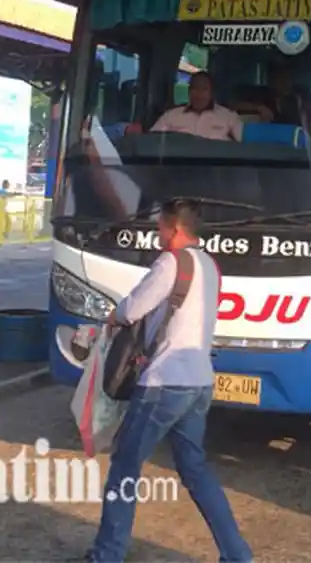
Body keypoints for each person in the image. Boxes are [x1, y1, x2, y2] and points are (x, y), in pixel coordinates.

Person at [85, 198, 251, 562]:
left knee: (125, 466)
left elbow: (132, 309)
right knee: (195, 468)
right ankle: (237, 554)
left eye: (160, 227)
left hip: (164, 383)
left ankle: (107, 555)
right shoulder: (211, 266)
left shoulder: (171, 263)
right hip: (199, 382)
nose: (158, 234)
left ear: (174, 229)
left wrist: (112, 318)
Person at [151, 71, 244, 142]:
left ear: (212, 92)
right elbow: (152, 141)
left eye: (204, 89)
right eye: (194, 88)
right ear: (189, 91)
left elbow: (246, 146)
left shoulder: (229, 117)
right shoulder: (171, 116)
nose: (199, 93)